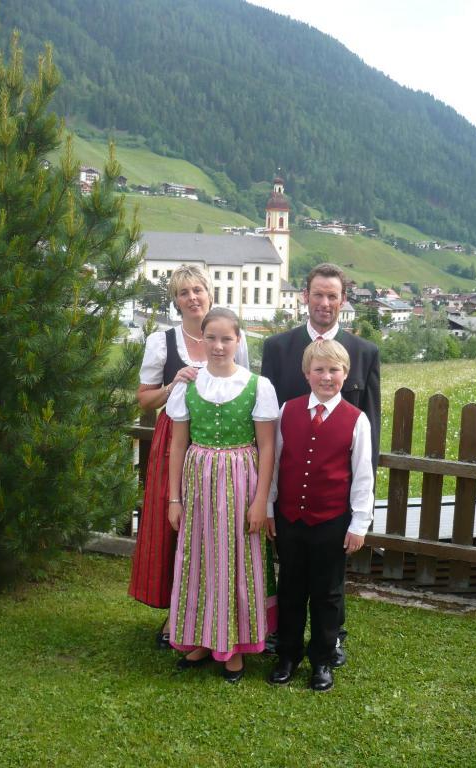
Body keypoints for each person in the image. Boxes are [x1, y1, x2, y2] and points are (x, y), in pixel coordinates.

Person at [261, 262, 380, 665]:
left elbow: (368, 434)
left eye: (333, 295)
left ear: (343, 300)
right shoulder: (278, 349)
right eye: (318, 294)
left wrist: (358, 513)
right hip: (292, 498)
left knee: (330, 584)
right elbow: (268, 430)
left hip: (333, 499)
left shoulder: (365, 353)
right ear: (305, 297)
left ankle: (331, 643)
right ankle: (286, 646)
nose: (325, 302)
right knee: (293, 579)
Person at [128, 266, 248, 649]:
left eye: (198, 290)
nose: (192, 298)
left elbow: (243, 387)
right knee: (174, 525)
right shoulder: (161, 341)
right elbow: (144, 398)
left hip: (222, 440)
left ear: (209, 294)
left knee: (217, 524)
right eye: (183, 292)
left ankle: (218, 611)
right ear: (175, 300)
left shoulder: (229, 335)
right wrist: (172, 383)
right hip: (175, 441)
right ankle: (175, 614)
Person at [166, 308, 279, 683]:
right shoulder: (187, 385)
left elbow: (266, 447)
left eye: (226, 338)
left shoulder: (257, 386)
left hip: (241, 479)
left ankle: (235, 644)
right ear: (202, 339)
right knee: (199, 554)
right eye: (210, 338)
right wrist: (174, 498)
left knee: (236, 557)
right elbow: (177, 445)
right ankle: (201, 637)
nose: (218, 346)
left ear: (238, 340)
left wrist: (262, 500)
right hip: (198, 481)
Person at [268, 340, 374, 691]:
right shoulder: (288, 410)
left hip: (331, 521)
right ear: (306, 373)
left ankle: (322, 659)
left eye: (334, 370)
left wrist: (359, 523)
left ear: (345, 374)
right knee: (291, 589)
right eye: (319, 370)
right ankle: (288, 654)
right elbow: (274, 466)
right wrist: (270, 508)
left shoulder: (356, 421)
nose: (326, 377)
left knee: (328, 594)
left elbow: (362, 476)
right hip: (290, 519)